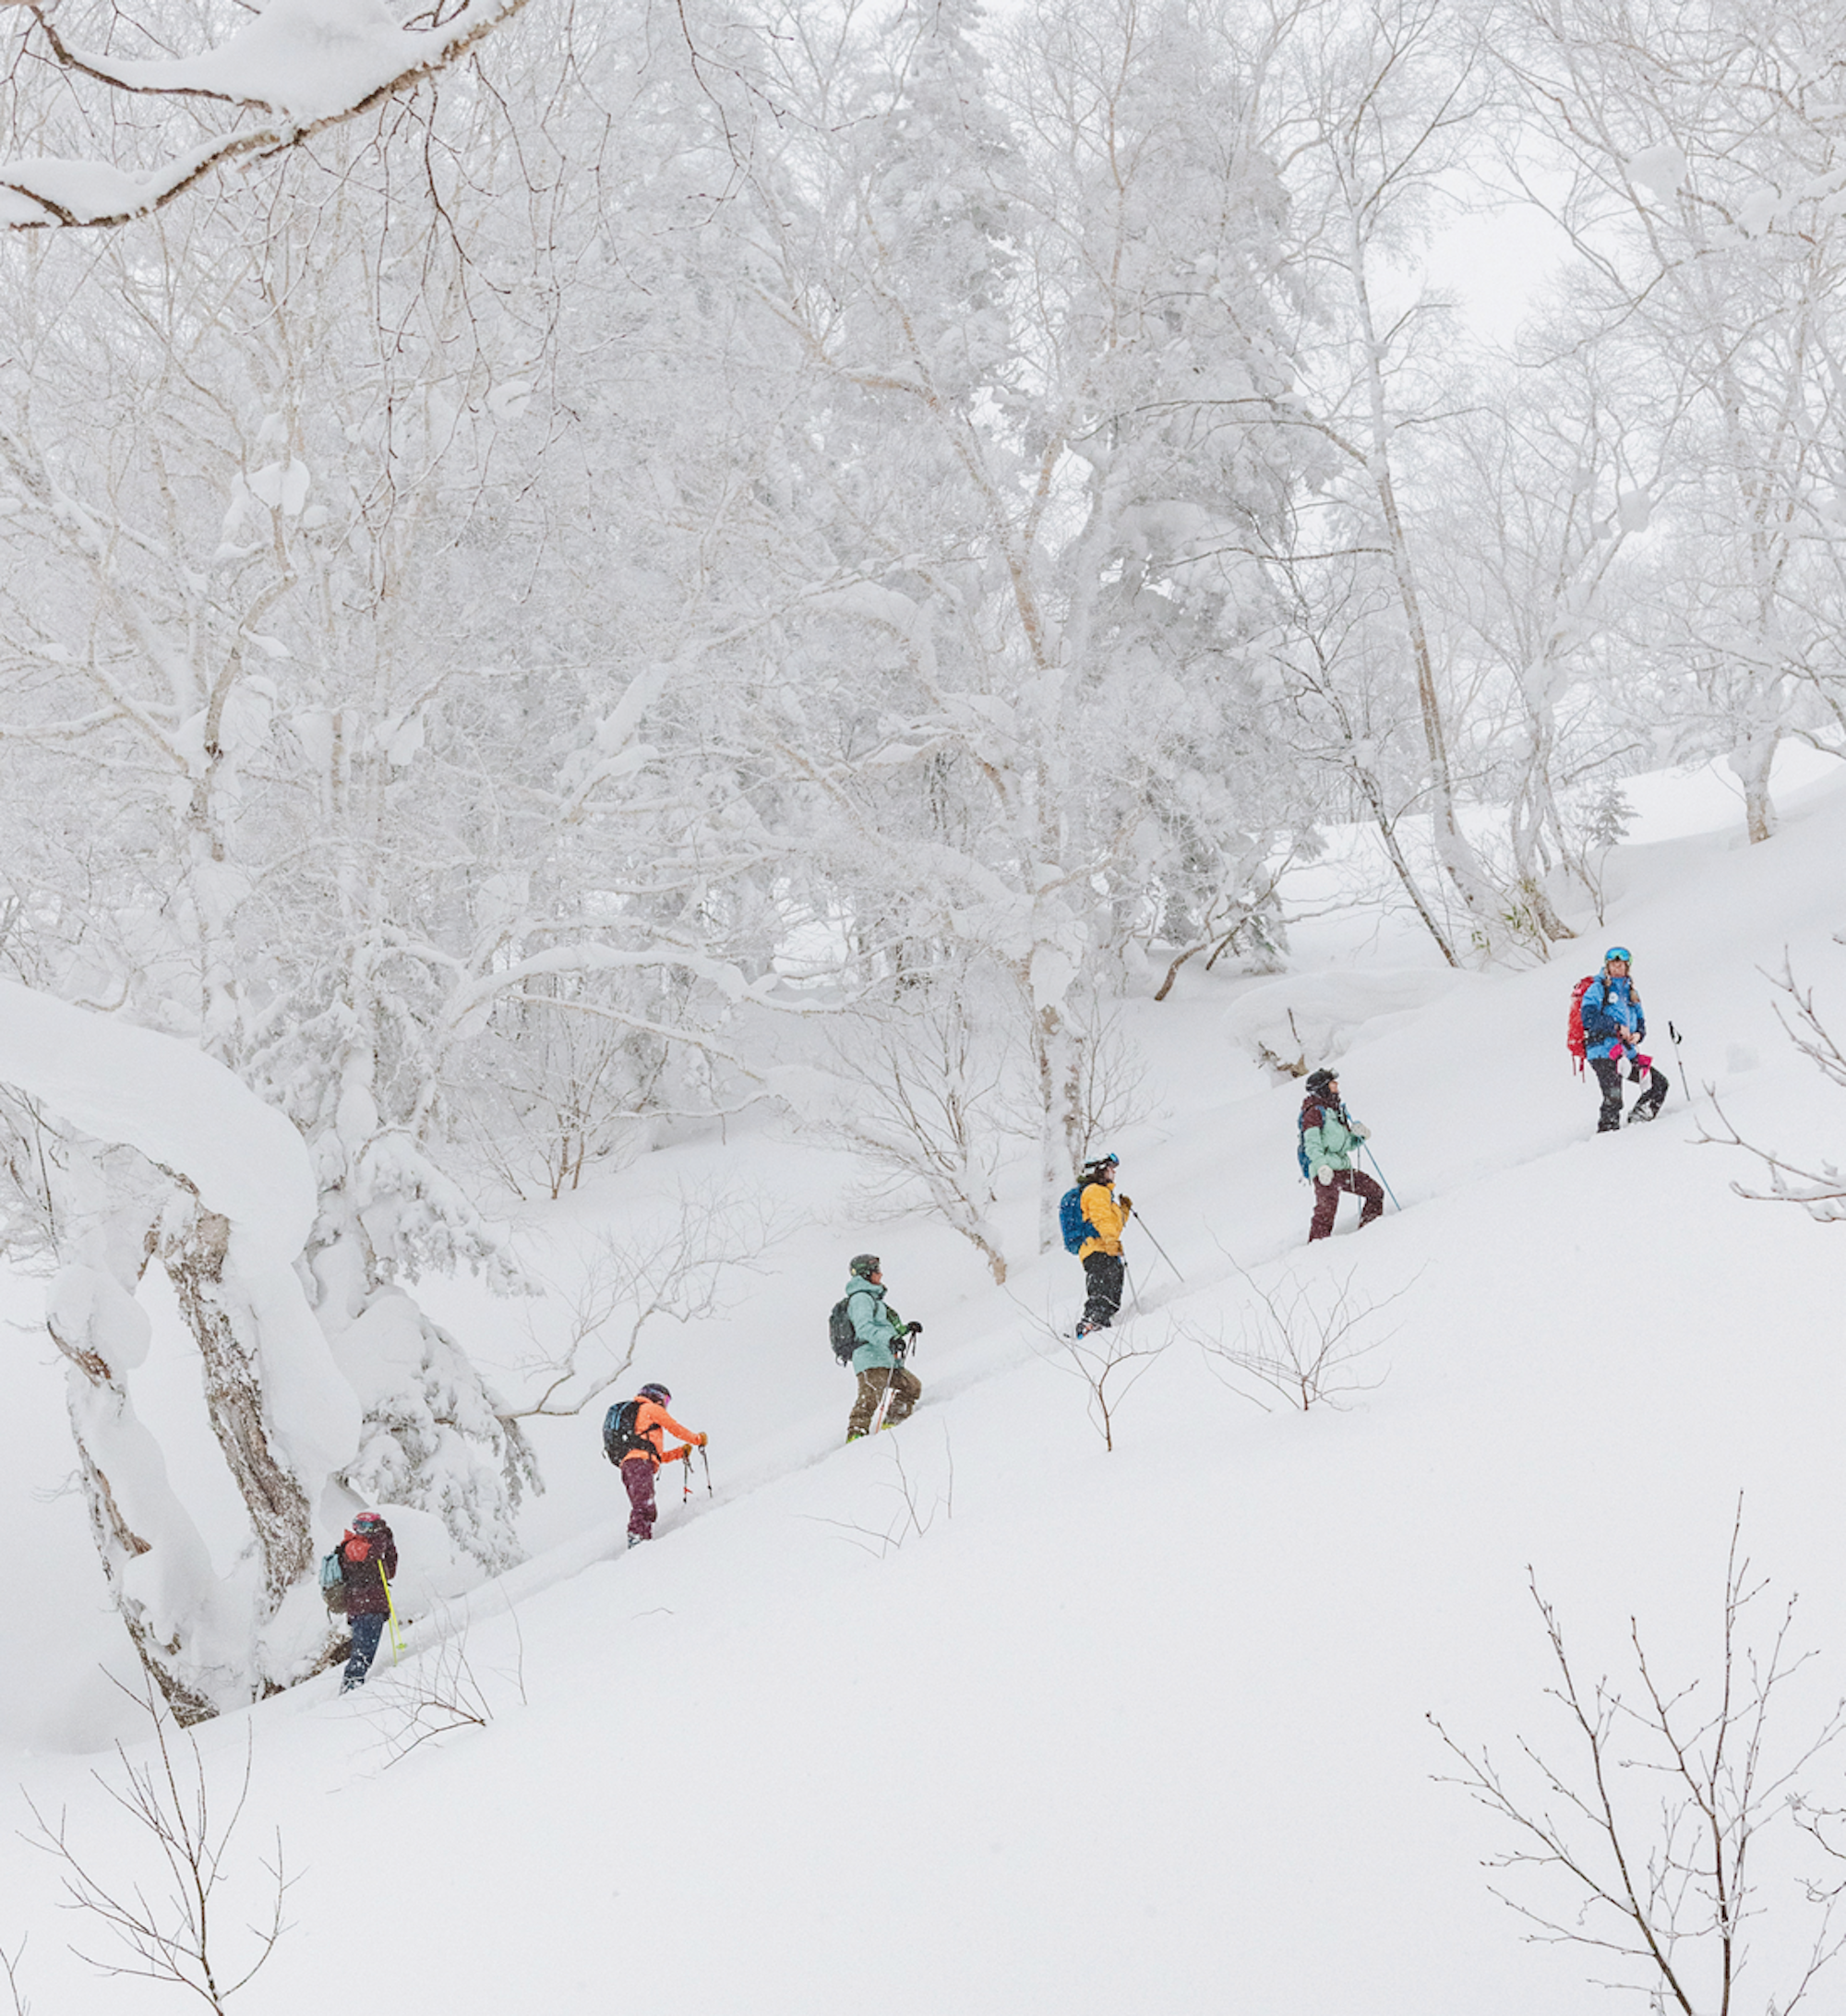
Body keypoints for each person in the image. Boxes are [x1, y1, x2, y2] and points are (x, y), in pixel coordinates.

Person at [1581, 946, 1670, 1134]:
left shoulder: (1630, 992)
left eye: (1621, 964)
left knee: (1658, 1084)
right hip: (1602, 1052)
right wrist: (1615, 1027)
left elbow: (1640, 1023)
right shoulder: (1598, 988)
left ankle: (1639, 1124)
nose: (1618, 968)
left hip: (1625, 1053)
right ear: (1608, 965)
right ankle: (1606, 1137)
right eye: (1614, 963)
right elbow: (1588, 1018)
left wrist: (1637, 1035)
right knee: (1614, 1098)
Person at [843, 1254, 922, 1442]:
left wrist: (904, 1330)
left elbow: (884, 1327)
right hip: (870, 1358)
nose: (881, 1274)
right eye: (876, 1270)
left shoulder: (874, 1299)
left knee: (911, 1387)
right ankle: (855, 1437)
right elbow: (864, 1328)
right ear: (865, 1273)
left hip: (885, 1358)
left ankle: (892, 1426)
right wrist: (890, 1339)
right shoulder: (860, 1299)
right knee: (869, 1399)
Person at [617, 1382, 707, 1547]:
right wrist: (697, 1439)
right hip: (640, 1464)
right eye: (665, 1400)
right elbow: (675, 1428)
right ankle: (638, 1541)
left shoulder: (639, 1418)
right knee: (644, 1506)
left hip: (629, 1466)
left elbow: (656, 1456)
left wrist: (679, 1453)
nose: (665, 1405)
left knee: (643, 1505)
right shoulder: (650, 1409)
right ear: (656, 1397)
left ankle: (639, 1539)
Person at [1301, 1068, 1384, 1242]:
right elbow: (1312, 1144)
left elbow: (1346, 1145)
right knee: (1325, 1215)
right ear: (1322, 1088)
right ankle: (1315, 1250)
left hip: (1342, 1169)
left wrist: (1360, 1136)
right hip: (1325, 1172)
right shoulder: (1314, 1113)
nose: (1337, 1086)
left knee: (1375, 1193)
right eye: (1332, 1083)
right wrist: (1322, 1166)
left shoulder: (1336, 1111)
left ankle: (1371, 1232)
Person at [336, 1510, 399, 1692]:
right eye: (358, 1526)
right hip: (363, 1608)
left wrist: (390, 1543)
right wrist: (383, 1538)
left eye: (366, 1527)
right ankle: (351, 1686)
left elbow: (389, 1571)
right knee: (363, 1651)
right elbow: (371, 1554)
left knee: (366, 1650)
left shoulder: (373, 1547)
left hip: (373, 1607)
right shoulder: (352, 1546)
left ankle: (352, 1684)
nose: (361, 1530)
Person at [1074, 1153, 1133, 1338]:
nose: (1113, 1172)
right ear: (1099, 1170)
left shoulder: (1103, 1192)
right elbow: (1103, 1221)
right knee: (1102, 1285)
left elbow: (1113, 1225)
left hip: (1104, 1248)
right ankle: (1091, 1322)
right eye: (1110, 1168)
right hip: (1098, 1248)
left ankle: (1099, 1322)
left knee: (1112, 1286)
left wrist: (1123, 1210)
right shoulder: (1095, 1191)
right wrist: (1111, 1243)